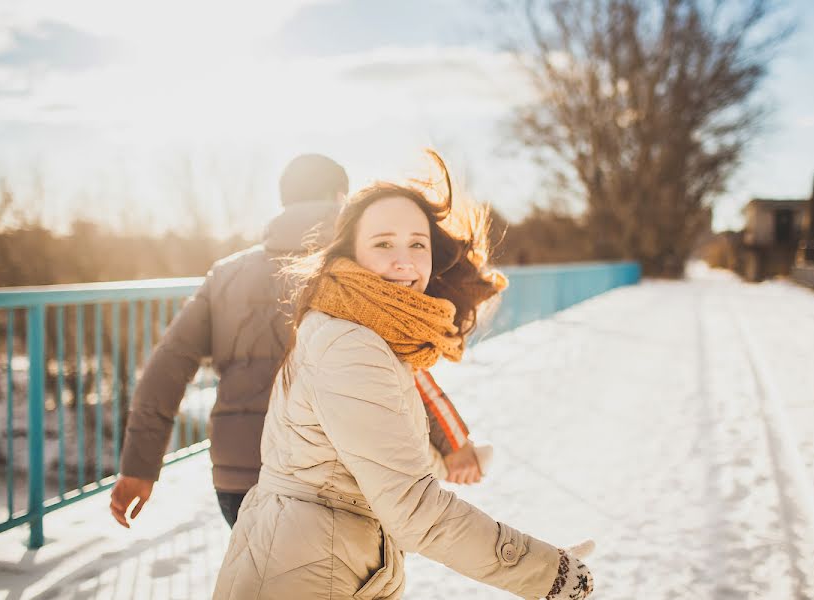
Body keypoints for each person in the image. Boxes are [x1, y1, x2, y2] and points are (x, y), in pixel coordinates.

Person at [213, 151, 594, 599]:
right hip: (309, 573)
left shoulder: (361, 326)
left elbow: (369, 450)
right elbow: (415, 510)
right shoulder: (351, 344)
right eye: (383, 243)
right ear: (349, 252)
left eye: (418, 244)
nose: (404, 261)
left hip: (317, 558)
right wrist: (550, 573)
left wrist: (446, 461)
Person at [110, 154, 483, 530]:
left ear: (285, 200)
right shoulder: (357, 273)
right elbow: (403, 369)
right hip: (334, 472)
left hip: (239, 475)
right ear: (342, 198)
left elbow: (167, 365)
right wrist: (453, 444)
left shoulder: (226, 275)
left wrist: (139, 466)